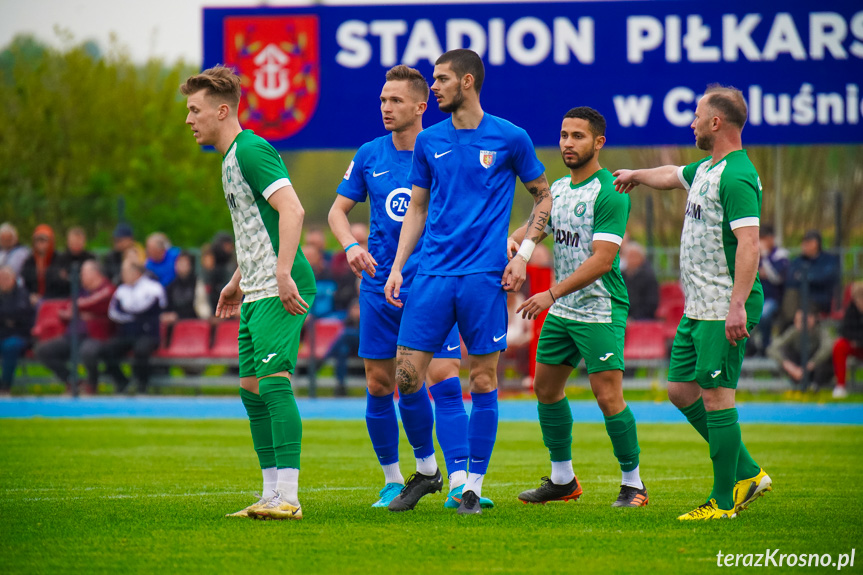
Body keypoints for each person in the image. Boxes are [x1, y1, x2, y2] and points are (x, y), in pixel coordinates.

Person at [383, 49, 552, 515]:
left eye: (441, 79)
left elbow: (544, 197)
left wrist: (523, 254)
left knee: (481, 378)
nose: (433, 87)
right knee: (405, 376)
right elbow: (417, 208)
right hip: (432, 275)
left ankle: (472, 485)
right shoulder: (428, 141)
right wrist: (400, 266)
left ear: (468, 82)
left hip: (482, 278)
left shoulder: (510, 137)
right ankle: (429, 470)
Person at [327, 64, 492, 510]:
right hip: (380, 284)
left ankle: (459, 479)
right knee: (381, 383)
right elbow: (337, 212)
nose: (385, 107)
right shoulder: (368, 155)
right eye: (383, 100)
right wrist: (349, 246)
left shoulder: (443, 146)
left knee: (442, 375)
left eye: (395, 100)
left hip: (433, 281)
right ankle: (400, 476)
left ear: (421, 106)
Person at [613, 84, 771, 520]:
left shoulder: (737, 174)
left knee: (718, 399)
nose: (692, 122)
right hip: (698, 305)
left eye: (697, 115)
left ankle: (723, 502)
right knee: (681, 390)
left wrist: (737, 305)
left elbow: (750, 244)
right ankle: (749, 472)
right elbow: (670, 175)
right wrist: (636, 176)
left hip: (723, 305)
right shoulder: (708, 169)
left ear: (716, 123)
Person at [181, 65, 316, 520]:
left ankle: (291, 499)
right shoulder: (228, 159)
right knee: (250, 390)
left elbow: (292, 210)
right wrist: (237, 280)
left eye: (195, 110)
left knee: (274, 386)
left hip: (282, 285)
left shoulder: (252, 150)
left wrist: (281, 273)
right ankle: (270, 494)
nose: (189, 119)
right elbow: (258, 229)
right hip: (256, 286)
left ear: (222, 111)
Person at [510, 107, 647, 508]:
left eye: (578, 136)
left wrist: (550, 294)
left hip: (599, 309)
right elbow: (532, 228)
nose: (568, 143)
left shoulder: (610, 192)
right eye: (564, 135)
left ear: (598, 143)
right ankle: (562, 480)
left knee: (607, 396)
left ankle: (633, 484)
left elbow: (602, 260)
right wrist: (514, 244)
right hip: (563, 310)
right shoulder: (559, 189)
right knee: (545, 388)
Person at [34, 260, 115, 394]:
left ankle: (92, 385)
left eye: (83, 273)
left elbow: (89, 305)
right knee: (43, 351)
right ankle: (73, 380)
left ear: (95, 273)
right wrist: (81, 312)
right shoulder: (81, 291)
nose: (80, 276)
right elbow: (65, 310)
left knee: (88, 351)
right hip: (73, 334)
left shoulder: (107, 289)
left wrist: (78, 310)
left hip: (96, 335)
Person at [103, 259, 165, 394]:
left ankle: (142, 384)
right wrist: (132, 315)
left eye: (125, 272)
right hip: (127, 333)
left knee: (141, 350)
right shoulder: (121, 290)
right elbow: (113, 312)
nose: (122, 275)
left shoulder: (153, 287)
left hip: (148, 333)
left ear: (136, 272)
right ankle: (122, 382)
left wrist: (129, 314)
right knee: (107, 350)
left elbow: (149, 308)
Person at [767, 306, 834, 390]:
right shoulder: (793, 331)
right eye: (797, 320)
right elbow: (772, 348)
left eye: (803, 319)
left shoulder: (820, 331)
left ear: (813, 318)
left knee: (827, 357)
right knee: (784, 351)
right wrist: (789, 366)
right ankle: (797, 383)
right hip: (798, 367)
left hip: (815, 367)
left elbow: (828, 347)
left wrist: (811, 364)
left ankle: (816, 385)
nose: (800, 323)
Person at [783, 230, 840, 324]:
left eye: (807, 243)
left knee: (803, 319)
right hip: (800, 299)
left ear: (815, 244)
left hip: (819, 299)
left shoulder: (828, 260)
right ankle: (793, 320)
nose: (803, 246)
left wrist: (804, 277)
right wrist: (809, 277)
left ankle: (791, 328)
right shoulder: (799, 260)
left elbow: (825, 278)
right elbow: (790, 279)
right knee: (791, 293)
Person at [753, 225, 788, 354]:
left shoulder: (780, 255)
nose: (761, 242)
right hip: (756, 296)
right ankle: (750, 348)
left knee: (764, 314)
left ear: (771, 238)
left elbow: (776, 278)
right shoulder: (755, 253)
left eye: (764, 238)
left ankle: (766, 346)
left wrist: (766, 257)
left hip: (773, 298)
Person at [0, 266, 33, 393]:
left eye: (6, 278)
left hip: (19, 336)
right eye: (1, 278)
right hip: (3, 334)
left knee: (11, 346)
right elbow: (12, 314)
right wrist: (8, 319)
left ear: (14, 279)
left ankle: (5, 386)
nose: (3, 281)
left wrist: (7, 318)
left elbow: (21, 314)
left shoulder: (22, 294)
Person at [21, 224, 69, 305]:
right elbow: (25, 283)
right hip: (33, 301)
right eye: (37, 240)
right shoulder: (29, 261)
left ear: (51, 242)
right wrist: (30, 295)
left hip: (55, 301)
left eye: (43, 240)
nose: (40, 243)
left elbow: (63, 284)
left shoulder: (61, 260)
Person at [832, 281, 863, 399]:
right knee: (839, 345)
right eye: (859, 299)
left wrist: (858, 340)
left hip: (859, 344)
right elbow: (845, 331)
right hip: (856, 347)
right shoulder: (851, 309)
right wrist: (856, 340)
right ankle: (840, 385)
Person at [161, 251, 210, 324]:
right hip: (174, 325)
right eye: (179, 262)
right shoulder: (171, 285)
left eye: (185, 263)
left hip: (195, 323)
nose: (181, 265)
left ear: (191, 265)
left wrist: (179, 316)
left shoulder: (197, 284)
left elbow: (200, 309)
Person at [621, 241, 659, 320]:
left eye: (634, 256)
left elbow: (651, 303)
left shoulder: (648, 277)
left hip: (642, 318)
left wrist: (633, 318)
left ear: (642, 258)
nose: (631, 259)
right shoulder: (621, 277)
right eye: (628, 256)